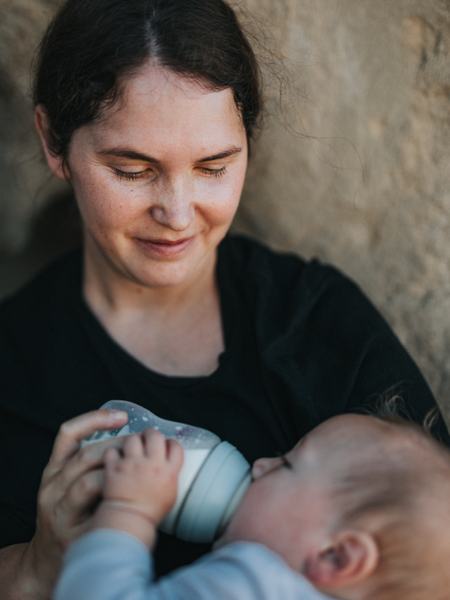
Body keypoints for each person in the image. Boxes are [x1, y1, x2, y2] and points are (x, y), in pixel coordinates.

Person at [0, 0, 448, 598]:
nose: (178, 215)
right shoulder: (12, 364)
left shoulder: (312, 320)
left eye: (214, 166)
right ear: (55, 144)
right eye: (132, 170)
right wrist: (37, 564)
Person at [54, 412, 450, 600]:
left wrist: (128, 509)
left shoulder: (256, 585)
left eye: (287, 464)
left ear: (335, 556)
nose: (261, 464)